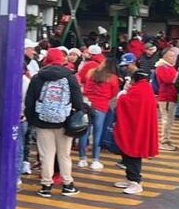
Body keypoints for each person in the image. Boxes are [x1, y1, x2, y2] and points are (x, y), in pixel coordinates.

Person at [25, 48, 85, 198]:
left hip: (42, 122)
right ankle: (67, 185)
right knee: (64, 155)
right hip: (64, 122)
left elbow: (29, 102)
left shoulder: (38, 78)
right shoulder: (70, 77)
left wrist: (34, 120)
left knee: (46, 155)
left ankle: (46, 186)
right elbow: (78, 101)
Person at [112, 54, 158, 195]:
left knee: (132, 155)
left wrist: (123, 93)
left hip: (134, 130)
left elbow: (125, 103)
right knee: (129, 154)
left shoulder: (138, 90)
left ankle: (135, 181)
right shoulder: (145, 88)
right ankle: (130, 179)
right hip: (136, 127)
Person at [81, 55, 120, 170]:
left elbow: (86, 86)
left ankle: (82, 159)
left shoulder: (91, 72)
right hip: (101, 106)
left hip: (87, 104)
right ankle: (95, 160)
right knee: (98, 133)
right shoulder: (112, 78)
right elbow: (113, 93)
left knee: (84, 132)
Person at [154, 47, 179, 151]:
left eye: (174, 56)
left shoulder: (169, 66)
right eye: (171, 56)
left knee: (169, 120)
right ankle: (163, 141)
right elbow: (168, 80)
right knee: (166, 120)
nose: (174, 58)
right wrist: (178, 76)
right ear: (164, 57)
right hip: (166, 97)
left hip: (171, 96)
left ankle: (167, 140)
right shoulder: (162, 67)